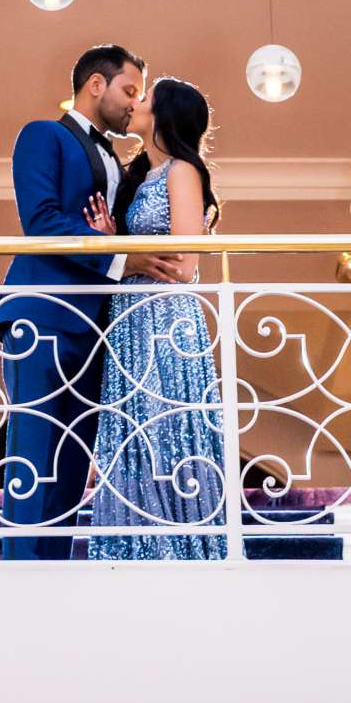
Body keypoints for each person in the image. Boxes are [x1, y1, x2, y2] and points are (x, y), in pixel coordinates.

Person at [0, 43, 183, 560]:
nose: (132, 103)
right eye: (128, 90)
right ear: (95, 85)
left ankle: (52, 570)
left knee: (75, 460)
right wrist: (122, 258)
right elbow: (42, 222)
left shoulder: (125, 165)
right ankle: (19, 571)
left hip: (101, 325)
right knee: (35, 449)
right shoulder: (43, 135)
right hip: (43, 316)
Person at [86, 75, 226, 560]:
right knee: (131, 429)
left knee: (163, 424)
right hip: (129, 318)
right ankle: (132, 545)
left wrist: (129, 249)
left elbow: (184, 263)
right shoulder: (140, 175)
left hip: (164, 317)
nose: (134, 103)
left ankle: (178, 547)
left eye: (143, 98)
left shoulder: (182, 172)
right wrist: (112, 237)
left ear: (163, 116)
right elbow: (139, 253)